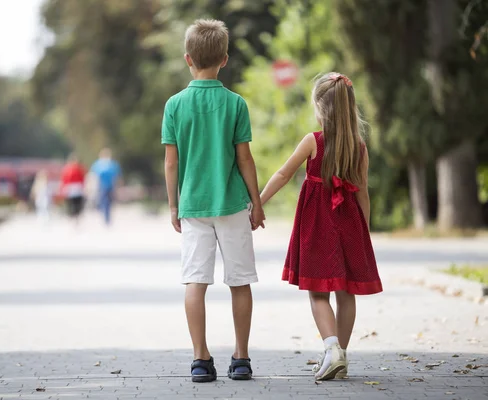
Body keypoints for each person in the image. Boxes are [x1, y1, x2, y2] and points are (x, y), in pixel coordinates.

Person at [260, 72, 383, 381]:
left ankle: (332, 350)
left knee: (318, 294)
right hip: (350, 226)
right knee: (345, 293)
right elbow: (363, 192)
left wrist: (259, 201)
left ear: (320, 107)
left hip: (317, 226)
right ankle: (338, 354)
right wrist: (364, 232)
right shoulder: (360, 148)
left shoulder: (313, 141)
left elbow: (283, 174)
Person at [162, 19, 265, 383]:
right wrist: (258, 201)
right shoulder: (236, 104)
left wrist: (173, 205)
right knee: (240, 282)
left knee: (195, 282)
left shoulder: (174, 105)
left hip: (193, 205)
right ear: (224, 59)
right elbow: (245, 159)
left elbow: (171, 162)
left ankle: (200, 359)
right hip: (234, 205)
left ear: (188, 59)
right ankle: (241, 358)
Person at [90, 148, 122, 225]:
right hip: (103, 186)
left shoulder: (105, 164)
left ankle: (106, 216)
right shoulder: (110, 164)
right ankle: (106, 216)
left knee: (107, 201)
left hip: (107, 186)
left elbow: (117, 176)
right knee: (105, 201)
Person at [60, 154, 87, 225]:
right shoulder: (69, 168)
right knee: (72, 203)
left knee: (76, 203)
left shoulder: (78, 168)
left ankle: (75, 216)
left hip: (76, 187)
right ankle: (72, 216)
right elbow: (65, 179)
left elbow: (82, 178)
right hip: (72, 187)